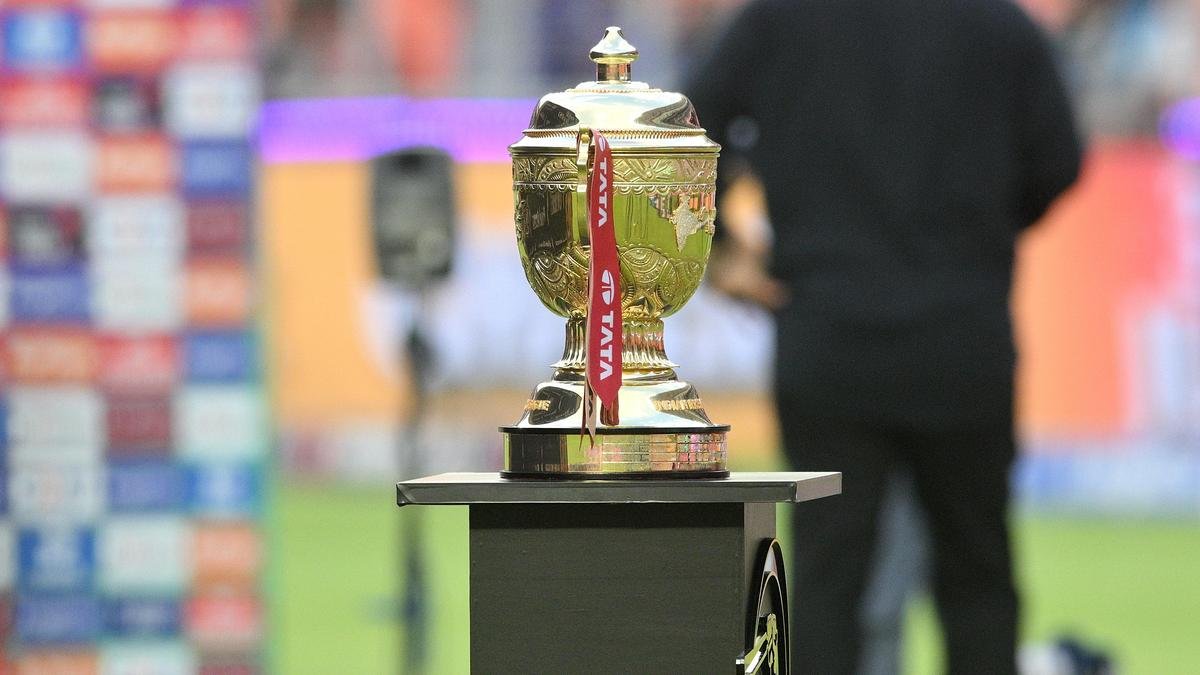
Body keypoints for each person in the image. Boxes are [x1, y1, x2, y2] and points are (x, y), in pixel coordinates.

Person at [686, 0, 1083, 672]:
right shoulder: (1002, 28)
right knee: (977, 576)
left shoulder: (781, 20)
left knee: (829, 575)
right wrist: (981, 225)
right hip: (961, 335)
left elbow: (685, 127)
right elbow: (1059, 162)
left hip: (829, 334)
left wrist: (722, 244)